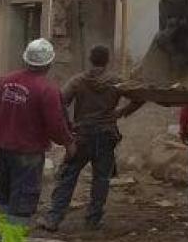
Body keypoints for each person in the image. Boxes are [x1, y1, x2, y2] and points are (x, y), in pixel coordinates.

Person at [0, 38, 75, 242]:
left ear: (25, 58)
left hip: (2, 147)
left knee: (5, 197)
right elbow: (55, 124)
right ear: (49, 63)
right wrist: (68, 142)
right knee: (22, 200)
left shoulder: (4, 82)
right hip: (27, 152)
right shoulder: (47, 89)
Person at [39, 44, 143, 231]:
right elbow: (140, 95)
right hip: (106, 135)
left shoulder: (78, 81)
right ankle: (93, 220)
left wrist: (68, 124)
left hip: (82, 135)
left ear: (90, 59)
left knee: (68, 176)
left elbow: (59, 101)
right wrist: (122, 112)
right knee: (101, 178)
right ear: (107, 60)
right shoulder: (116, 81)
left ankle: (54, 217)